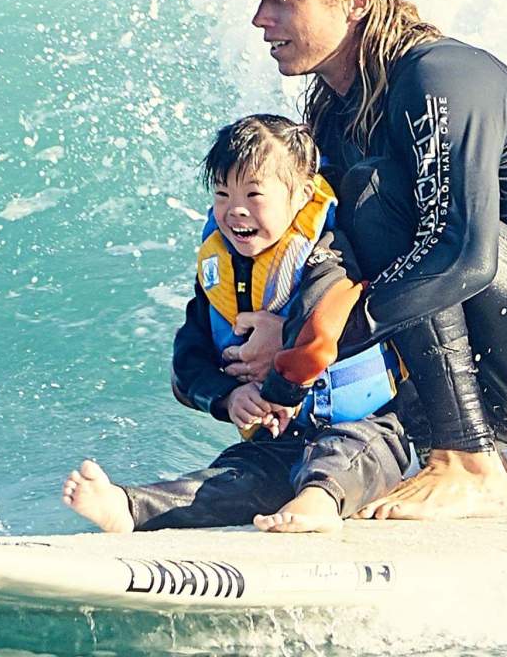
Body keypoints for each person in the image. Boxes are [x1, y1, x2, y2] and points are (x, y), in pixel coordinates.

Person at [203, 0, 507, 519]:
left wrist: (317, 338)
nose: (260, 19)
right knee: (332, 223)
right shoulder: (332, 108)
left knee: (377, 199)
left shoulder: (443, 77)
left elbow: (461, 256)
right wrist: (270, 344)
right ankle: (462, 457)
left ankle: (466, 461)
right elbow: (326, 257)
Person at [62, 114, 411, 533]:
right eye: (222, 194)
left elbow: (318, 337)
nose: (235, 210)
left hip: (369, 422)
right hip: (280, 440)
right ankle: (131, 508)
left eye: (254, 194)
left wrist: (280, 392)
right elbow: (189, 359)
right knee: (234, 478)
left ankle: (320, 500)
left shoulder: (328, 255)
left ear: (301, 194)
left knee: (349, 453)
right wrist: (229, 397)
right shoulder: (220, 267)